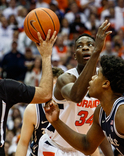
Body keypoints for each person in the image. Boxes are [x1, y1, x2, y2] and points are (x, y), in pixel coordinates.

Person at [38, 20, 112, 156]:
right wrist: (95, 52)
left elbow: (102, 128)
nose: (85, 48)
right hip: (55, 147)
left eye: (90, 45)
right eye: (80, 46)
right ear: (74, 55)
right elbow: (76, 96)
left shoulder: (104, 83)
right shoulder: (65, 79)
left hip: (81, 149)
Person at [16, 67, 64, 156]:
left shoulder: (71, 107)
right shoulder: (33, 109)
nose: (54, 90)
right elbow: (23, 143)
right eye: (50, 86)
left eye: (57, 86)